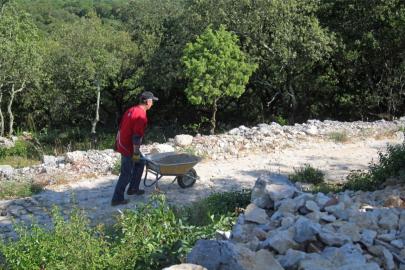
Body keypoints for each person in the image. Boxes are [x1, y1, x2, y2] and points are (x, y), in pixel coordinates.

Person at [111, 91, 158, 206]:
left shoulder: (131, 110)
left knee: (140, 163)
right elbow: (137, 137)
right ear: (147, 102)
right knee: (126, 173)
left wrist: (117, 142)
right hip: (128, 147)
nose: (152, 103)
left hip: (123, 143)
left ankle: (133, 188)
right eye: (152, 101)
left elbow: (121, 127)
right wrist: (136, 153)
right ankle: (117, 198)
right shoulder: (141, 115)